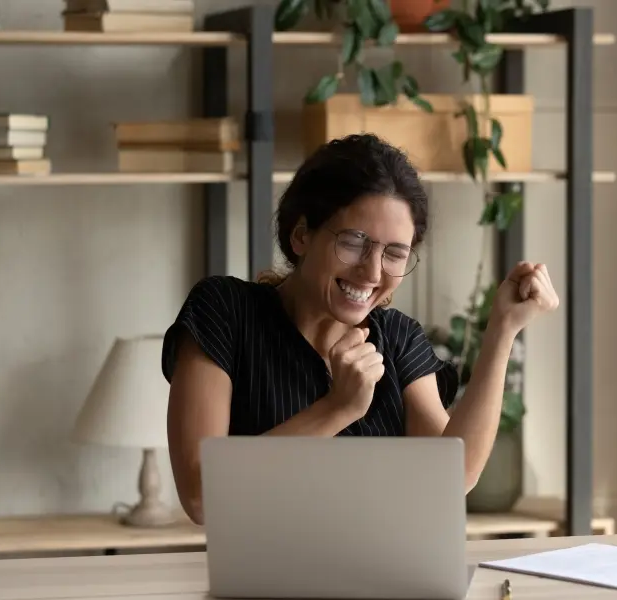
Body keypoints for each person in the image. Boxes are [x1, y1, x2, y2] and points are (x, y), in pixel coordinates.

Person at [162, 134, 559, 525]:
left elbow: (453, 477)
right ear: (301, 235)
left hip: (389, 578)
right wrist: (338, 408)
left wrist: (503, 329)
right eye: (354, 242)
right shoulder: (225, 311)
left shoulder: (398, 338)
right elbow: (200, 496)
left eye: (394, 253)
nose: (372, 272)